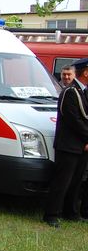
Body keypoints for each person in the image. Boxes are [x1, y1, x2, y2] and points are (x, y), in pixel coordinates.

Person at [43, 58, 88, 227]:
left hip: (80, 145)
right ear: (86, 72)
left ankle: (71, 212)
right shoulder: (71, 92)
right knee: (62, 182)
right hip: (68, 145)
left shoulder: (82, 91)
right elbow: (74, 120)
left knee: (76, 182)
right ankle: (51, 214)